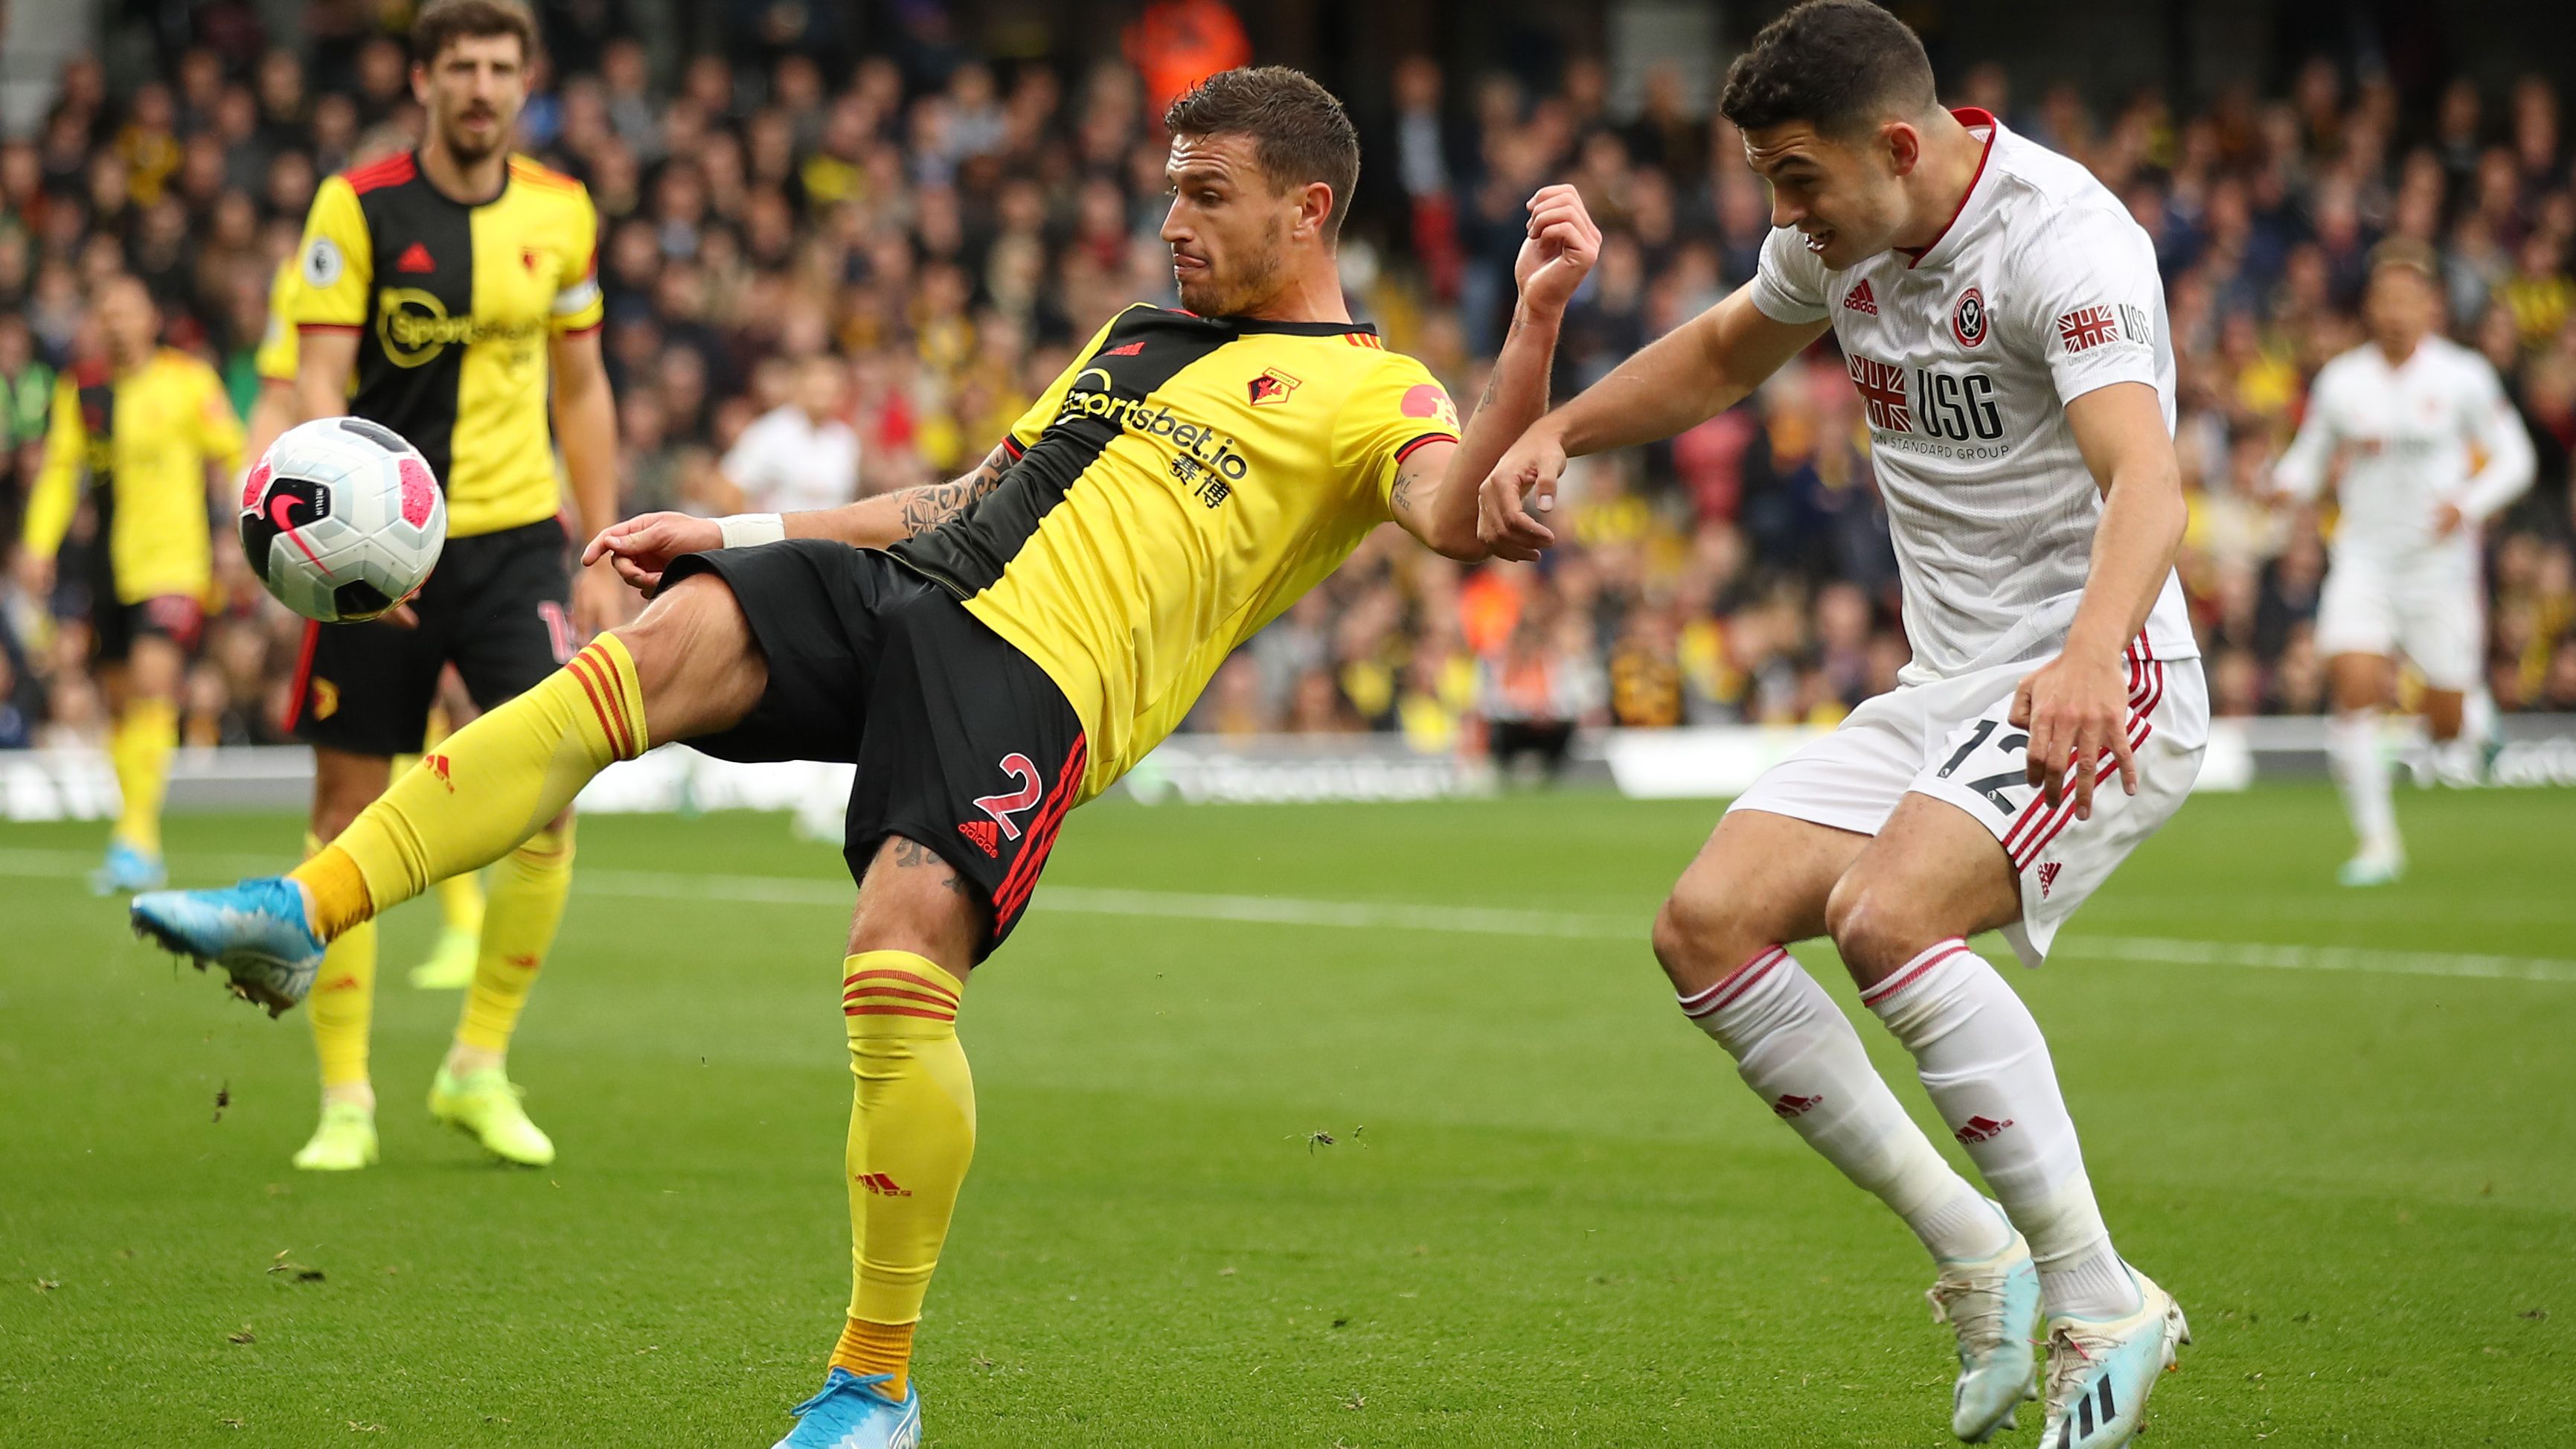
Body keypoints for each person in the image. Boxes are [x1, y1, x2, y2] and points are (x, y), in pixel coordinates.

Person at [137, 65, 1598, 1448]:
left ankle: (874, 1386)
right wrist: (733, 531)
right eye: (1170, 190)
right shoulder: (1139, 334)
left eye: (1206, 193)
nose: (1172, 221)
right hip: (910, 590)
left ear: (1309, 211)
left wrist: (1530, 328)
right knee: (631, 662)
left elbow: (1460, 510)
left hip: (1038, 678)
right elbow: (961, 491)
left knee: (894, 961)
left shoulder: (1369, 386)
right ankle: (302, 913)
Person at [1480, 4, 2199, 1445]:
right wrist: (1559, 429)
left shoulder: (2063, 241)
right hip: (1950, 683)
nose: (1781, 213)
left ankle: (2101, 1297)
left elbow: (2150, 484)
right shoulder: (1837, 237)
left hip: (2100, 672)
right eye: (1767, 180)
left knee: (1883, 917)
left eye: (1797, 179)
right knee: (1705, 923)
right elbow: (1722, 353)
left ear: (1895, 144)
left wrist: (2081, 657)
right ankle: (1977, 1254)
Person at [263, 0, 624, 1174]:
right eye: (458, 66)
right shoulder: (356, 206)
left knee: (553, 792)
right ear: (422, 78)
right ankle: (345, 1094)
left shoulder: (561, 210)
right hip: (376, 548)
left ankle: (478, 1063)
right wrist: (338, 558)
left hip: (518, 537)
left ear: (525, 82)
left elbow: (582, 387)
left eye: (498, 67)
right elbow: (320, 378)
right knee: (349, 806)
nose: (479, 86)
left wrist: (605, 538)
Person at [246, 166, 492, 995]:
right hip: (364, 530)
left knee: (461, 730)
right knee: (384, 765)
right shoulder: (316, 275)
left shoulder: (511, 234)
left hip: (459, 523)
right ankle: (448, 926)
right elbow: (292, 388)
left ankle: (467, 925)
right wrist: (292, 519)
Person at [2269, 241, 2534, 886]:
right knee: (2354, 685)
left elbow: (2516, 458)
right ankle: (2378, 843)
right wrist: (2283, 482)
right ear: (2369, 306)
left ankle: (2471, 715)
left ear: (2430, 305)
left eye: (2407, 298)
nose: (2394, 311)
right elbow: (2310, 457)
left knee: (2443, 723)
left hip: (2438, 568)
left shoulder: (2463, 377)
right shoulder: (2342, 381)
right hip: (2364, 560)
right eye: (2384, 298)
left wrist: (2468, 503)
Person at [16, 274, 243, 892]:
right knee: (119, 701)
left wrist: (238, 534)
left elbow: (233, 452)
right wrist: (38, 543)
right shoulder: (82, 390)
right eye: (106, 311)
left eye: (127, 310)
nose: (115, 321)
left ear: (151, 319)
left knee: (151, 679)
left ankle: (135, 835)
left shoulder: (188, 381)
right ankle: (137, 834)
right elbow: (63, 473)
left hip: (175, 563)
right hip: (108, 568)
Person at [719, 354, 862, 513]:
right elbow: (729, 490)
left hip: (830, 536)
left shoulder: (845, 439)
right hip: (781, 535)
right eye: (817, 385)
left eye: (830, 387)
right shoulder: (769, 432)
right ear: (798, 385)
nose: (823, 393)